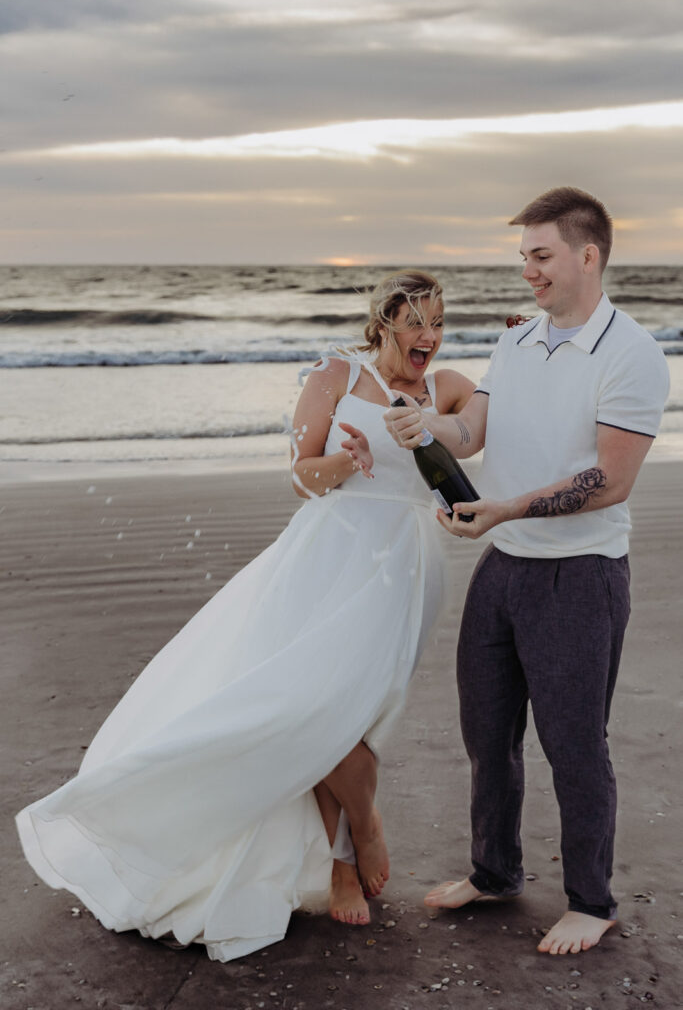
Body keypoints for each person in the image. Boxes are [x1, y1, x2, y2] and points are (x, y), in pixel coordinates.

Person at [16, 269, 474, 962]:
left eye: (437, 322)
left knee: (363, 711)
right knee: (315, 704)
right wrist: (344, 466)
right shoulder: (333, 373)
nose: (429, 338)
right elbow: (298, 475)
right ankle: (357, 838)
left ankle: (342, 855)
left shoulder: (448, 388)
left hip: (408, 565)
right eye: (415, 324)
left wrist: (441, 421)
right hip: (327, 557)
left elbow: (471, 437)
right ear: (382, 325)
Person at [385, 188, 670, 956]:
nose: (527, 273)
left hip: (579, 578)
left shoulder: (633, 354)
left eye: (540, 256)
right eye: (522, 258)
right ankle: (494, 872)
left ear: (587, 255)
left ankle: (590, 901)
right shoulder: (517, 340)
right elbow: (473, 427)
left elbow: (609, 481)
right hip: (502, 571)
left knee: (575, 744)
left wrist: (504, 510)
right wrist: (426, 427)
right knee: (487, 734)